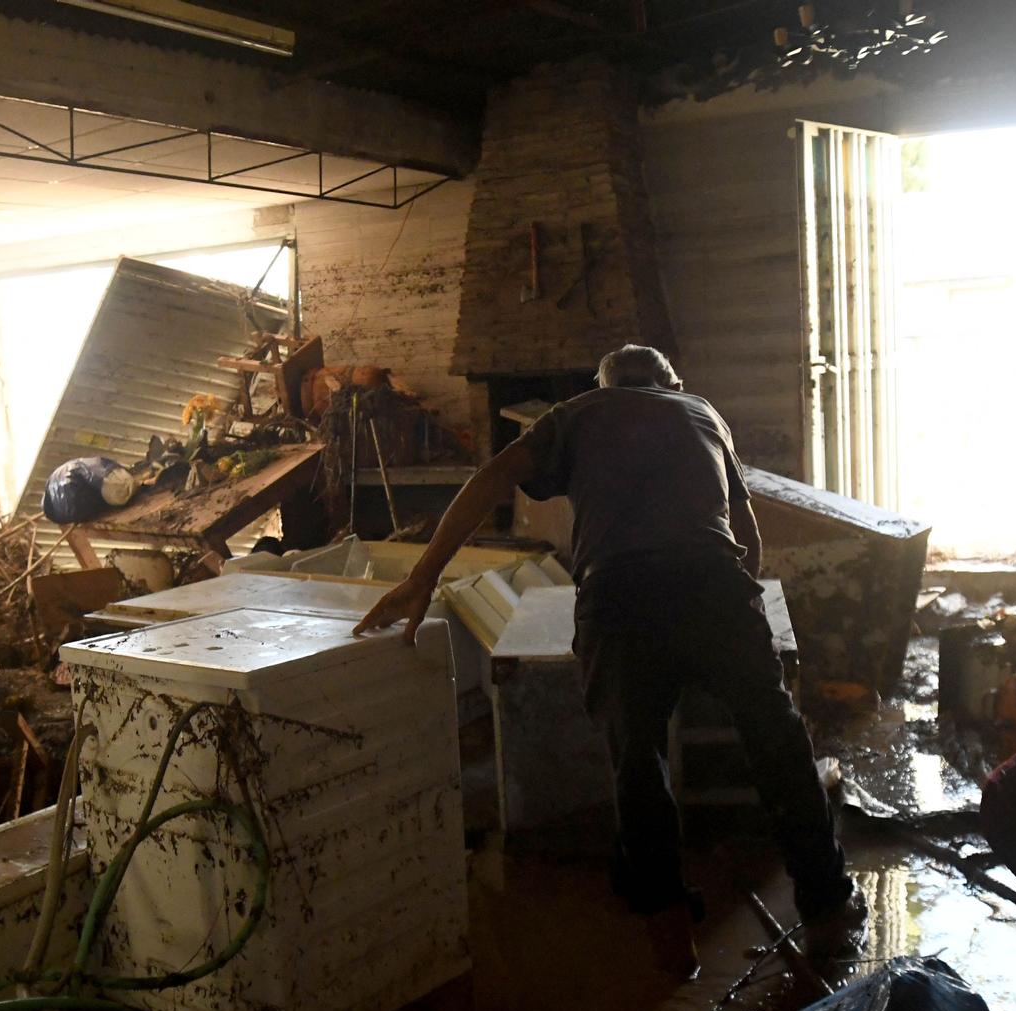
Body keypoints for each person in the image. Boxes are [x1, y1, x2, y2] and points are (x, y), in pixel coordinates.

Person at [356, 344, 865, 976]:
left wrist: (425, 576)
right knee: (779, 741)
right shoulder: (700, 411)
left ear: (601, 385)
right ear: (670, 384)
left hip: (617, 598)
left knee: (638, 760)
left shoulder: (576, 413)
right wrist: (737, 622)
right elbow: (746, 531)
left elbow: (491, 477)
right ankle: (826, 910)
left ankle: (669, 931)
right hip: (712, 585)